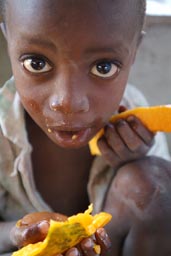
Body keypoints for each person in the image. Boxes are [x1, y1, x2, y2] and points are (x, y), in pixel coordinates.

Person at [0, 0, 171, 255]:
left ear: (134, 51)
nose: (68, 102)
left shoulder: (134, 119)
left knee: (155, 183)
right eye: (36, 63)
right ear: (8, 39)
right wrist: (17, 233)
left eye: (104, 67)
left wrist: (134, 163)